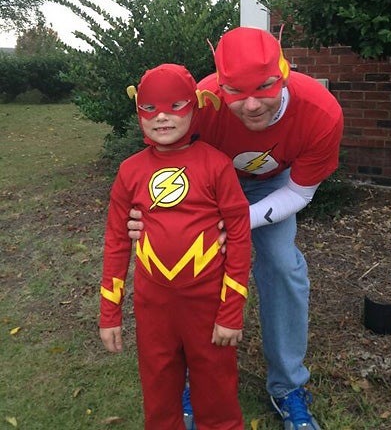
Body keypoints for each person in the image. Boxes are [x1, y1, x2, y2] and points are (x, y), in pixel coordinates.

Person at [127, 27, 344, 430]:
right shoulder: (202, 102)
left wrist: (239, 221)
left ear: (284, 72)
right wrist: (147, 213)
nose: (251, 105)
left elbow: (300, 192)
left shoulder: (321, 111)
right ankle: (194, 379)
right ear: (220, 85)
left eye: (264, 87)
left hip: (276, 186)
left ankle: (288, 385)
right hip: (205, 180)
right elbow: (163, 160)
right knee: (192, 267)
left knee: (282, 265)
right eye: (235, 92)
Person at [99, 63, 251, 430]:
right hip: (153, 306)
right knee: (158, 391)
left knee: (216, 391)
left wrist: (231, 313)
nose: (162, 116)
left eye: (175, 106)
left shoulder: (217, 165)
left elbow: (239, 236)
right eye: (150, 108)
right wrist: (109, 313)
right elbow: (117, 241)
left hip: (207, 303)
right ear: (138, 112)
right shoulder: (130, 170)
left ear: (194, 106)